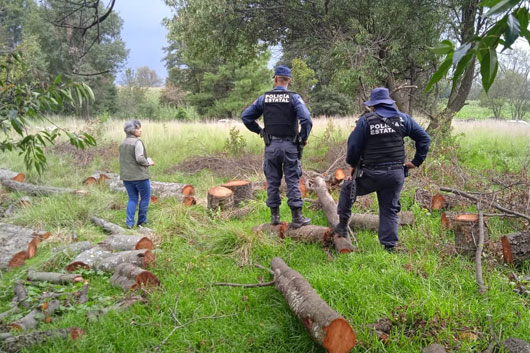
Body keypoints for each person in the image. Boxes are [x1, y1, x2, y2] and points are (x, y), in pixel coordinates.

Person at [333, 87, 430, 252]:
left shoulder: (365, 121)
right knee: (389, 208)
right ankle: (389, 247)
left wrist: (352, 164)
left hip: (370, 174)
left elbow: (354, 146)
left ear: (373, 105)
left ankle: (342, 226)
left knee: (348, 187)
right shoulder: (403, 119)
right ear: (389, 102)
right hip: (395, 175)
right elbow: (424, 138)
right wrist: (416, 162)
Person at [241, 65, 313, 228]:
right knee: (292, 179)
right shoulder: (294, 98)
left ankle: (275, 217)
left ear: (275, 79)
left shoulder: (264, 98)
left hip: (271, 145)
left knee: (272, 181)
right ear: (289, 81)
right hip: (290, 145)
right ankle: (297, 218)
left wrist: (260, 131)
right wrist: (303, 138)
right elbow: (307, 120)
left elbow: (246, 117)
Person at [119, 120, 155, 229]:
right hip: (140, 176)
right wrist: (148, 162)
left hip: (126, 177)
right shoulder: (137, 142)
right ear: (133, 130)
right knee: (145, 198)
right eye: (139, 128)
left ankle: (129, 223)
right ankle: (141, 222)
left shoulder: (123, 143)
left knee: (132, 198)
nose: (141, 130)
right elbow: (139, 158)